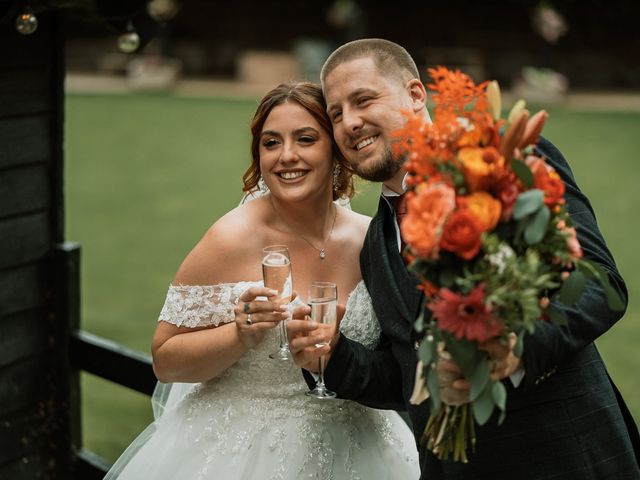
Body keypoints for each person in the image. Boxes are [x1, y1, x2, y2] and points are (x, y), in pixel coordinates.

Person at [288, 38, 640, 479]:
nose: (350, 123)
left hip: (563, 456)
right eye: (336, 114)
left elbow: (599, 283)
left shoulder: (505, 161)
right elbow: (406, 377)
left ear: (416, 95)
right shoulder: (375, 246)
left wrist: (516, 349)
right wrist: (330, 354)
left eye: (363, 100)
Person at [103, 82, 420, 479]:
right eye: (271, 143)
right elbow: (165, 360)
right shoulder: (231, 238)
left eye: (306, 139)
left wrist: (342, 350)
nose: (287, 156)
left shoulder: (371, 239)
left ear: (336, 150)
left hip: (364, 451)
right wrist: (239, 335)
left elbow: (402, 357)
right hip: (246, 455)